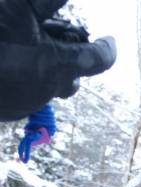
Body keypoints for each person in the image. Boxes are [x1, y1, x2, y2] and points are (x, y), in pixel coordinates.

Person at [0, 0, 116, 160]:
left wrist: (107, 44)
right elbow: (20, 81)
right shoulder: (44, 88)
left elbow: (104, 56)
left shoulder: (23, 29)